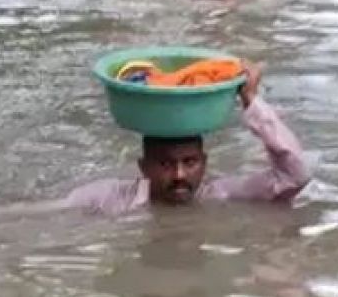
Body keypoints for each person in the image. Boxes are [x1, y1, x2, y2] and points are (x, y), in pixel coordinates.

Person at [59, 62, 310, 214]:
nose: (179, 175)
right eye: (165, 164)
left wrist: (250, 100)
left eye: (190, 162)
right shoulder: (109, 197)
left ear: (205, 162)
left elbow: (295, 176)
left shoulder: (221, 195)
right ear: (143, 167)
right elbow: (39, 213)